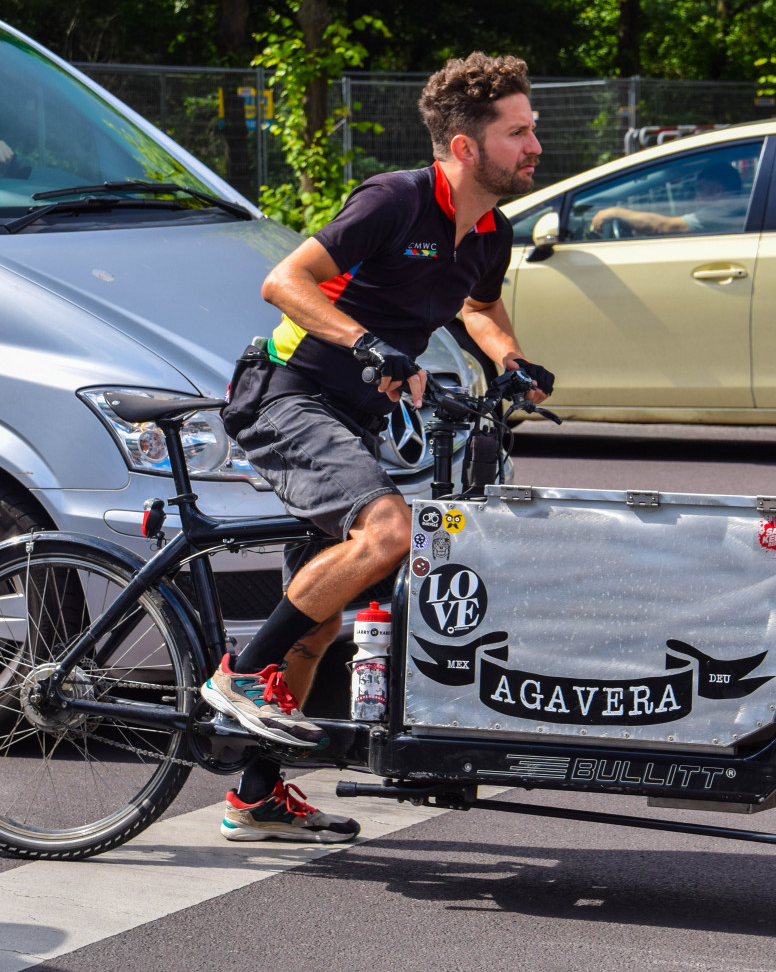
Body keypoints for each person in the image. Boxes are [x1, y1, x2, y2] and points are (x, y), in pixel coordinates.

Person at [200, 52, 553, 844]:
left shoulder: (488, 229)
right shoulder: (394, 200)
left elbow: (481, 308)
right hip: (290, 392)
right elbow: (286, 281)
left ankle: (256, 796)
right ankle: (241, 673)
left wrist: (509, 359)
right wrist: (367, 343)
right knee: (388, 533)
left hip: (356, 411)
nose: (536, 147)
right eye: (518, 132)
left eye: (533, 130)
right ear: (465, 147)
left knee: (320, 617)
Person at [590, 159, 745, 236]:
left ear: (717, 191)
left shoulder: (720, 212)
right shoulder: (738, 207)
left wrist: (617, 212)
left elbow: (662, 226)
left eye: (701, 189)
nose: (696, 198)